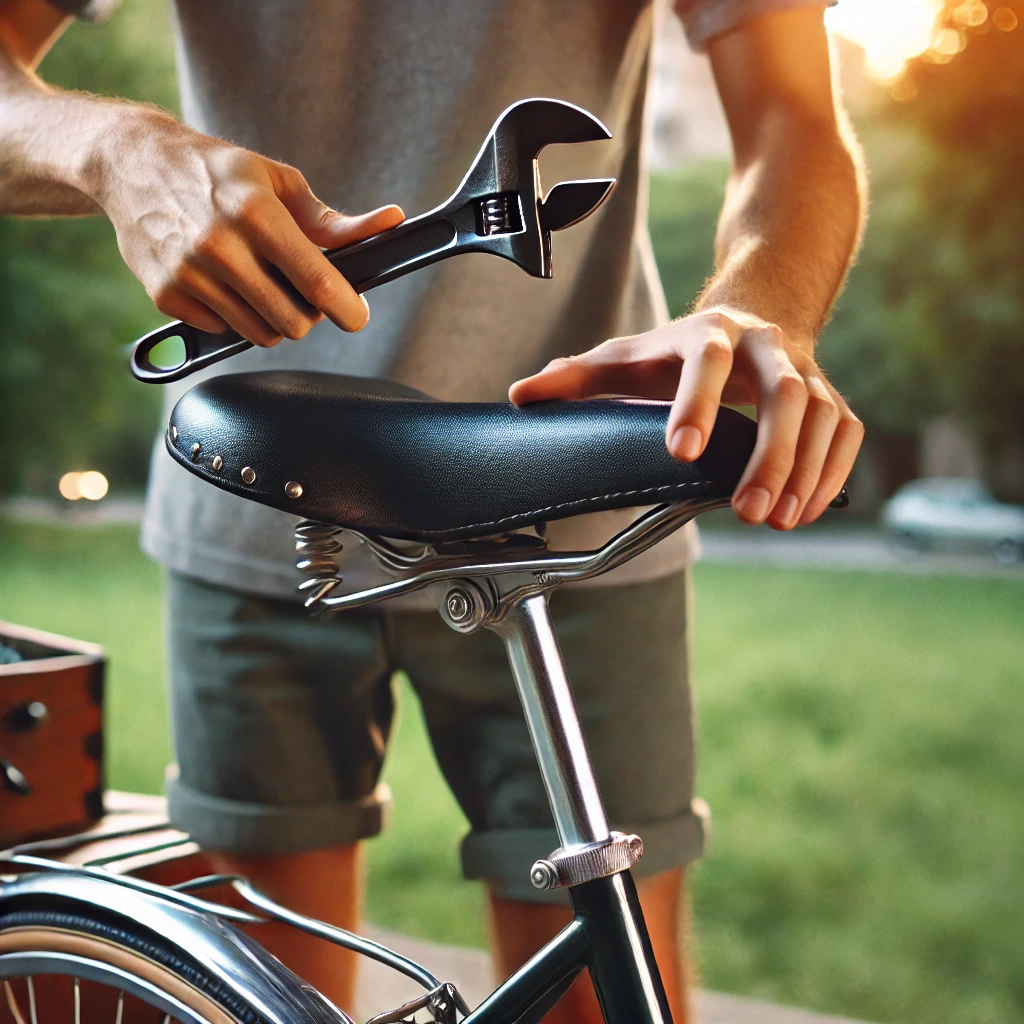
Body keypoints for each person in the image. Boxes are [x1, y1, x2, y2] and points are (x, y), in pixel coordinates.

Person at [0, 0, 865, 1020]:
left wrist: (756, 301)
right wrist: (111, 147)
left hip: (582, 517)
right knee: (255, 998)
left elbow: (791, 112)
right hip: (259, 509)